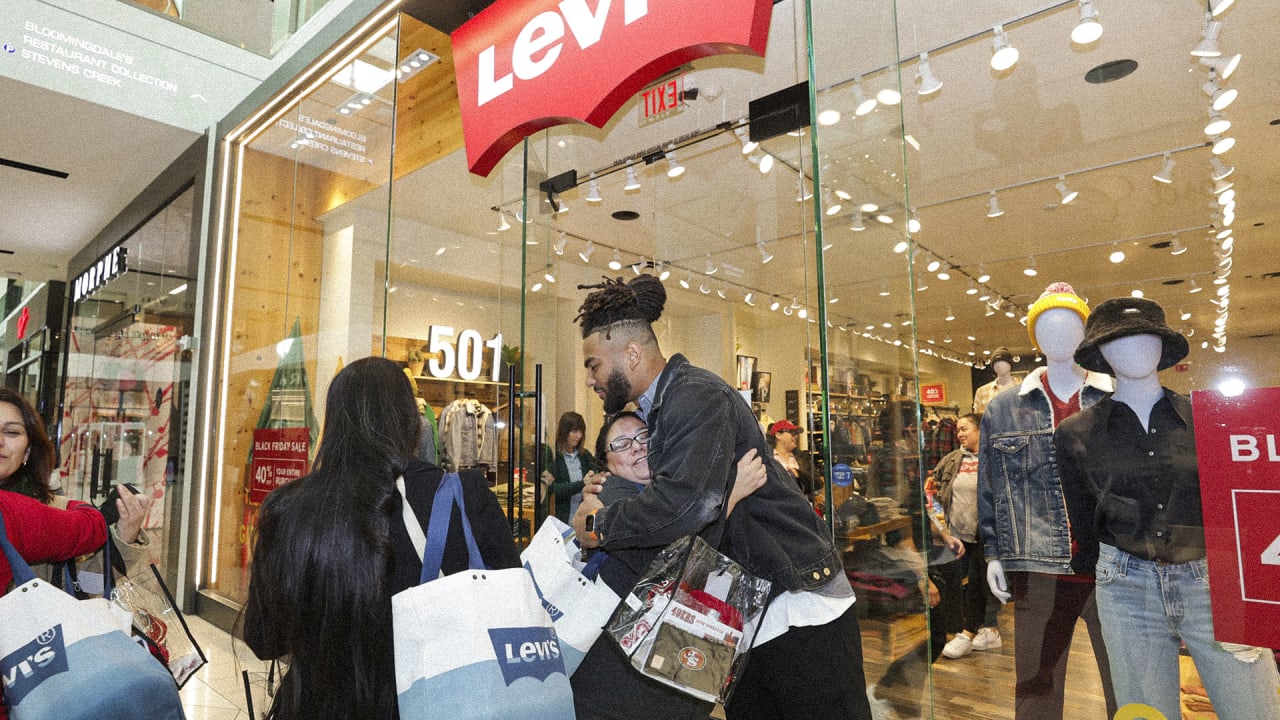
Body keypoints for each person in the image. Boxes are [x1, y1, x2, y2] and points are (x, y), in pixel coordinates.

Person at [570, 275, 872, 720]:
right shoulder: (667, 406)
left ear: (631, 354)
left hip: (797, 603)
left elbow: (687, 505)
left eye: (593, 365)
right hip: (751, 610)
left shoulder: (694, 396)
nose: (591, 379)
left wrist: (598, 527)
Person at [242, 356, 521, 720]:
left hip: (314, 707)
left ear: (334, 422)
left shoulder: (288, 509)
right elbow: (513, 613)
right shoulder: (463, 496)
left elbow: (265, 639)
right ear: (412, 421)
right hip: (439, 705)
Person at [1056, 297, 1280, 719]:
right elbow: (1084, 520)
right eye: (1120, 341)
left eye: (1147, 338)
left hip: (1215, 578)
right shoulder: (1075, 432)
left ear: (1163, 347)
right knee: (1145, 713)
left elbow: (1245, 503)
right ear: (1101, 353)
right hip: (1125, 587)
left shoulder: (1210, 421)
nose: (1135, 348)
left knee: (1256, 708)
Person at [977, 282, 1117, 720]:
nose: (1060, 336)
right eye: (1048, 327)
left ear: (1086, 332)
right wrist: (994, 552)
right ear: (1035, 337)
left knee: (1127, 682)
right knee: (1037, 687)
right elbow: (990, 485)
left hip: (1112, 562)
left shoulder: (1114, 395)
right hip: (1036, 565)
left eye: (1071, 325)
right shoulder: (1002, 409)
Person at [572, 410, 767, 720]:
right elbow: (665, 560)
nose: (636, 446)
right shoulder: (610, 494)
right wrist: (731, 497)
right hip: (618, 685)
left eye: (644, 437)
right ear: (605, 462)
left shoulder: (671, 498)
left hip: (653, 676)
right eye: (621, 443)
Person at [0, 387, 151, 579]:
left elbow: (87, 585)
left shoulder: (58, 510)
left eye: (11, 432)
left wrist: (124, 537)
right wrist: (97, 520)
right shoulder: (72, 515)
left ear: (28, 452)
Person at [934, 413, 1002, 659]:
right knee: (971, 582)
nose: (960, 434)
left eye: (965, 429)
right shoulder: (952, 460)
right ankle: (986, 629)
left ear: (980, 430)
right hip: (957, 535)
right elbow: (931, 492)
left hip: (985, 533)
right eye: (958, 430)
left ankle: (973, 630)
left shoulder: (993, 458)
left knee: (981, 581)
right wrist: (941, 525)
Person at [542, 411, 599, 523]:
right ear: (564, 432)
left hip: (583, 518)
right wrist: (582, 483)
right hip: (562, 519)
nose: (579, 436)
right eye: (574, 431)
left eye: (581, 432)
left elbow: (594, 478)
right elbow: (553, 489)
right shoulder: (554, 457)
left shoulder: (585, 455)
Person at [766, 419, 817, 497]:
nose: (796, 436)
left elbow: (818, 483)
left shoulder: (803, 458)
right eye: (792, 433)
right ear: (778, 435)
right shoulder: (767, 458)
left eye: (796, 433)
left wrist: (799, 475)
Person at [972, 346, 1018, 414]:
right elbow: (977, 419)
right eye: (996, 363)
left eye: (1003, 362)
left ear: (1010, 365)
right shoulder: (981, 391)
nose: (999, 366)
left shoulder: (1024, 388)